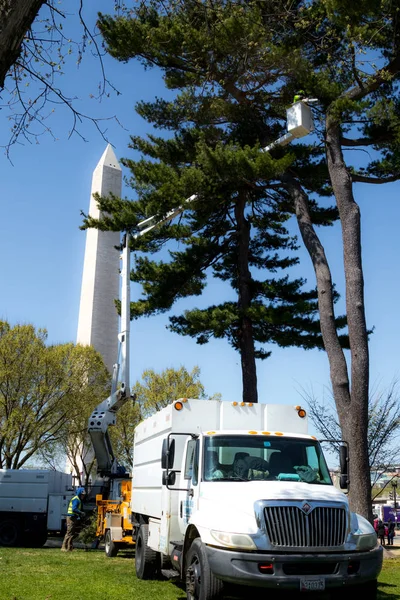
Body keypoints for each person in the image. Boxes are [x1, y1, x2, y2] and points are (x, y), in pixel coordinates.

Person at [61, 487, 86, 552]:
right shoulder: (76, 500)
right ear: (79, 494)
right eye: (82, 495)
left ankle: (70, 548)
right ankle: (64, 547)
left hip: (73, 517)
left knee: (72, 533)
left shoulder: (78, 499)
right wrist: (81, 513)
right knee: (69, 532)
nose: (83, 496)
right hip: (71, 517)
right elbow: (74, 509)